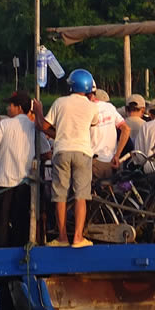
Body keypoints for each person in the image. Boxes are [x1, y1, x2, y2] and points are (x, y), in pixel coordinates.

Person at [41, 68, 100, 248]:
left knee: (60, 196)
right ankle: (78, 238)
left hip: (62, 151)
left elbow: (44, 126)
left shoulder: (60, 102)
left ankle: (62, 237)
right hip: (83, 152)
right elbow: (94, 123)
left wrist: (56, 132)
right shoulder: (92, 106)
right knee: (81, 196)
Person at [0, 93, 46, 246]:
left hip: (3, 180)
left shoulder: (4, 124)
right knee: (20, 220)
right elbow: (47, 152)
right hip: (24, 182)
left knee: (1, 220)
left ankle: (1, 250)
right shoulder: (34, 127)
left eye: (10, 105)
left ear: (18, 108)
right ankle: (20, 249)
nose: (8, 108)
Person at [90, 86, 129, 180]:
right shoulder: (109, 107)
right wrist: (117, 155)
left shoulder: (86, 109)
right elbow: (126, 129)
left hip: (92, 161)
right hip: (110, 161)